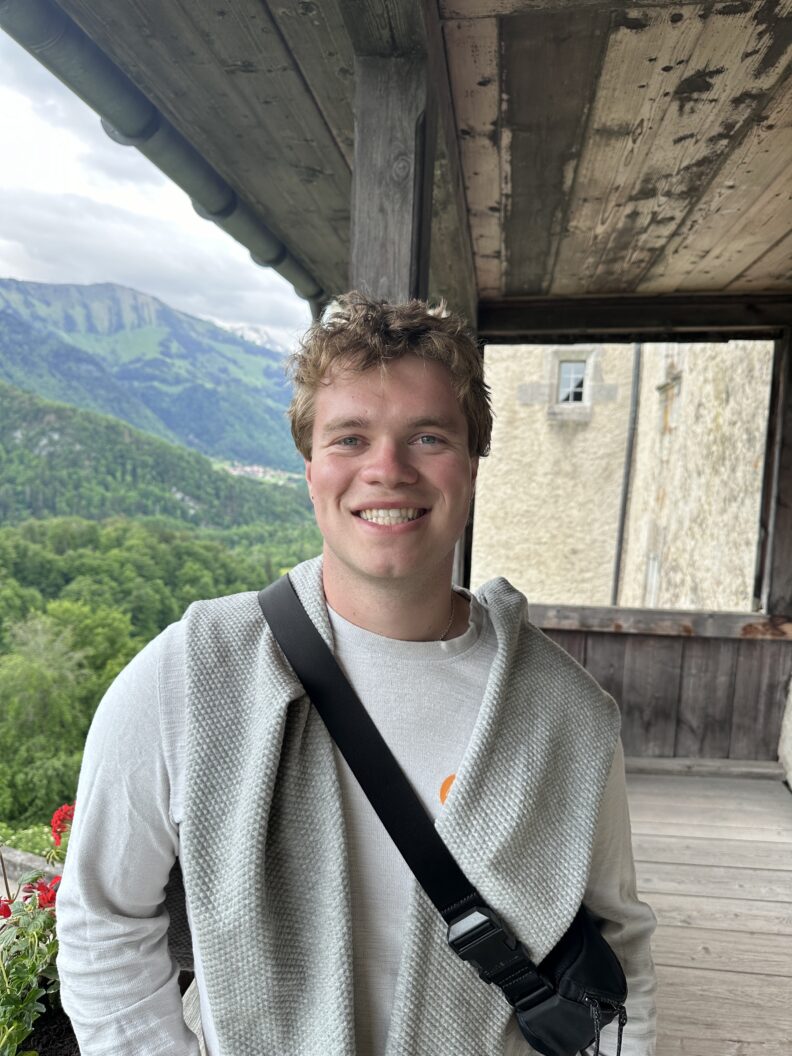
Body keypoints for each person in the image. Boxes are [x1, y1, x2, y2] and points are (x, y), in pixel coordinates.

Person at [56, 292, 657, 1055]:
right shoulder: (187, 675)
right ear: (309, 468)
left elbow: (618, 942)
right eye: (349, 438)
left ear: (472, 465)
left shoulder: (567, 713)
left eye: (428, 437)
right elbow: (101, 918)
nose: (387, 469)